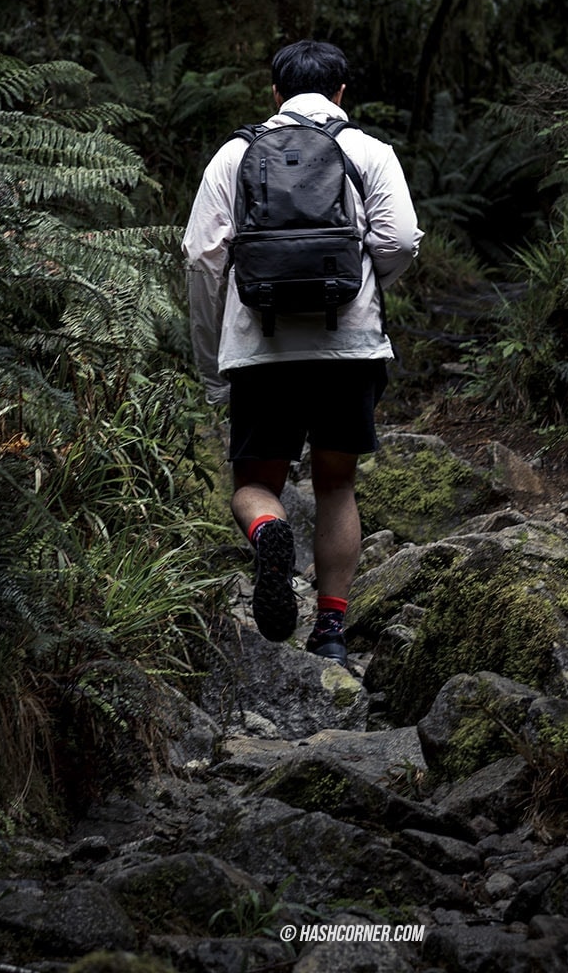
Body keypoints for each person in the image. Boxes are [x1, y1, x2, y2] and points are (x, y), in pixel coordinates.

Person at [182, 39, 421, 666]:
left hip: (261, 351)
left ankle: (269, 532)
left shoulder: (234, 155)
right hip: (350, 346)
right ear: (342, 93)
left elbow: (202, 261)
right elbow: (399, 238)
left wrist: (214, 364)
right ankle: (332, 630)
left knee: (254, 484)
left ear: (274, 93)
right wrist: (361, 285)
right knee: (337, 485)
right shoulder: (367, 151)